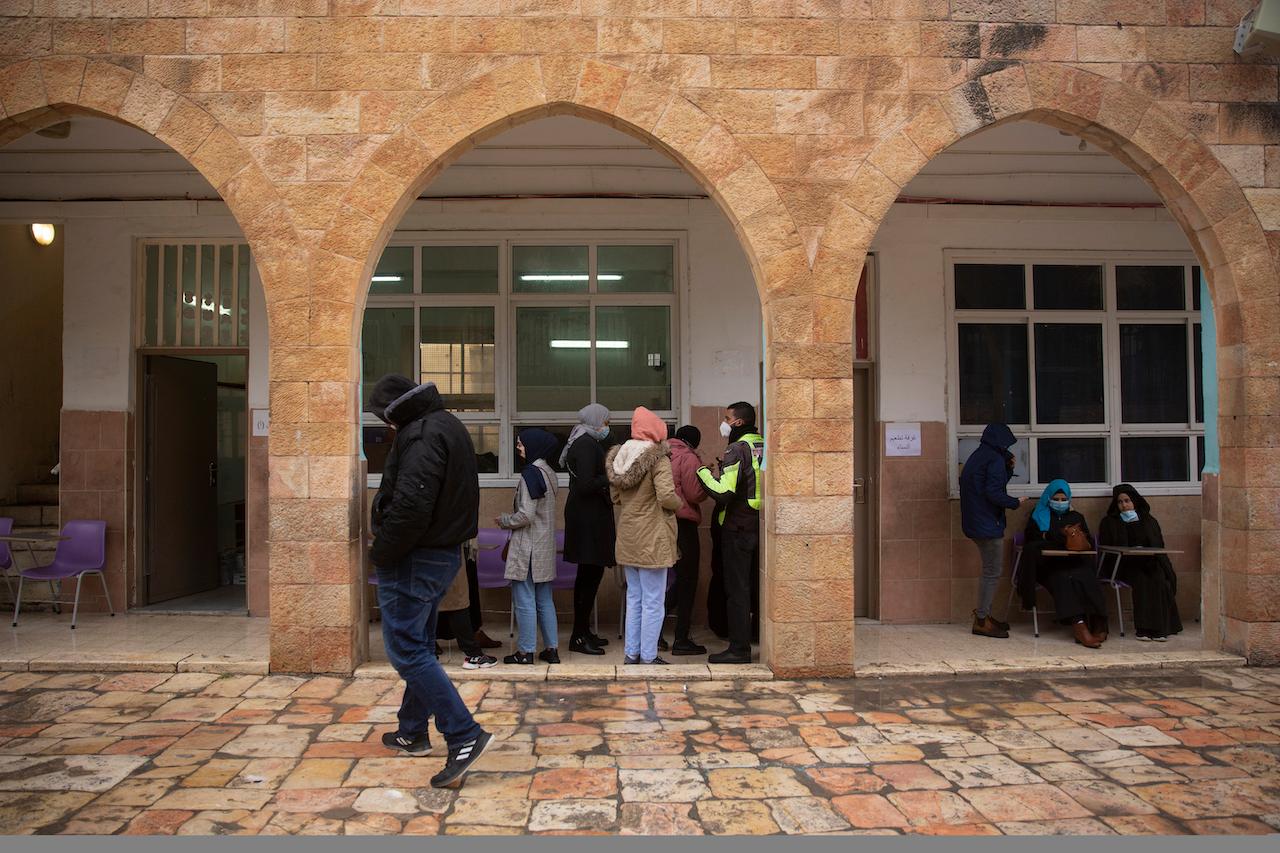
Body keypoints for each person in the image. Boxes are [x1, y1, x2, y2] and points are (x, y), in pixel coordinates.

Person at [367, 374, 492, 788]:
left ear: (393, 413)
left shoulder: (420, 434)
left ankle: (463, 733)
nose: (387, 430)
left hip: (414, 558)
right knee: (419, 645)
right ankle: (412, 730)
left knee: (405, 650)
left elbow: (412, 505)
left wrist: (380, 553)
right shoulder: (447, 424)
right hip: (440, 555)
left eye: (385, 421)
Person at [606, 406, 682, 665]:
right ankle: (649, 656)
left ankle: (631, 653)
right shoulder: (658, 458)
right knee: (653, 601)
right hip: (652, 536)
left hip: (628, 535)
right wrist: (680, 505)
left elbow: (615, 496)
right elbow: (666, 496)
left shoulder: (620, 457)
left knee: (634, 597)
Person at [698, 402, 764, 665]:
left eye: (727, 418)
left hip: (737, 527)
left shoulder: (737, 448)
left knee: (737, 590)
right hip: (760, 523)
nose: (724, 423)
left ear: (738, 423)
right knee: (757, 587)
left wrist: (702, 473)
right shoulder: (762, 443)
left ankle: (739, 649)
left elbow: (724, 492)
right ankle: (759, 636)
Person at [1019, 479, 1109, 648]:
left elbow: (1086, 540)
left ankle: (1099, 623)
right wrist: (1057, 539)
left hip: (1074, 562)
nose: (1060, 503)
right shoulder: (1038, 515)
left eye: (1063, 499)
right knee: (1063, 580)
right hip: (1050, 565)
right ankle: (1080, 627)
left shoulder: (1076, 517)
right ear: (1048, 498)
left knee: (1087, 577)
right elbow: (1032, 541)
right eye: (1056, 499)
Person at [497, 428, 561, 665]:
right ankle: (552, 649)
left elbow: (525, 515)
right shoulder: (549, 472)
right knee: (544, 599)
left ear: (533, 445)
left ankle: (525, 652)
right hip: (544, 546)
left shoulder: (530, 474)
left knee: (524, 599)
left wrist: (505, 520)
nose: (518, 448)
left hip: (528, 547)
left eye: (521, 444)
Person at [958, 423, 1028, 639]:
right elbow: (994, 493)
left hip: (974, 522)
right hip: (988, 524)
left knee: (989, 570)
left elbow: (986, 485)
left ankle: (984, 615)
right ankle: (981, 620)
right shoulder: (995, 459)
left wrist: (1007, 469)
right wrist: (1016, 502)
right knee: (992, 571)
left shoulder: (978, 456)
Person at [560, 403, 616, 656]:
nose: (607, 426)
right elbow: (585, 484)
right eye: (605, 421)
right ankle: (578, 636)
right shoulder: (584, 444)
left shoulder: (587, 442)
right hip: (587, 519)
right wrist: (613, 476)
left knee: (591, 577)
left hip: (589, 517)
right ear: (595, 421)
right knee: (587, 577)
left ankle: (583, 631)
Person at [1098, 483, 1184, 642]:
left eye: (1127, 501)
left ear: (1135, 501)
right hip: (1123, 564)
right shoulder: (1110, 522)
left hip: (1148, 561)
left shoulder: (1148, 520)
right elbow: (1108, 545)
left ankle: (1159, 629)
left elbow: (1158, 543)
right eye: (1120, 502)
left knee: (1158, 577)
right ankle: (1143, 629)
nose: (1124, 505)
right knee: (1142, 580)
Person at [665, 425, 709, 655]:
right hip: (684, 523)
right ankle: (681, 638)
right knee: (687, 579)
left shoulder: (663, 453)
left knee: (672, 579)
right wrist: (707, 481)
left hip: (663, 523)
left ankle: (654, 632)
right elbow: (693, 494)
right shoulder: (689, 458)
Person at [434, 544, 498, 669]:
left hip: (426, 555)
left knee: (428, 605)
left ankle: (427, 653)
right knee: (457, 604)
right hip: (448, 551)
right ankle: (473, 654)